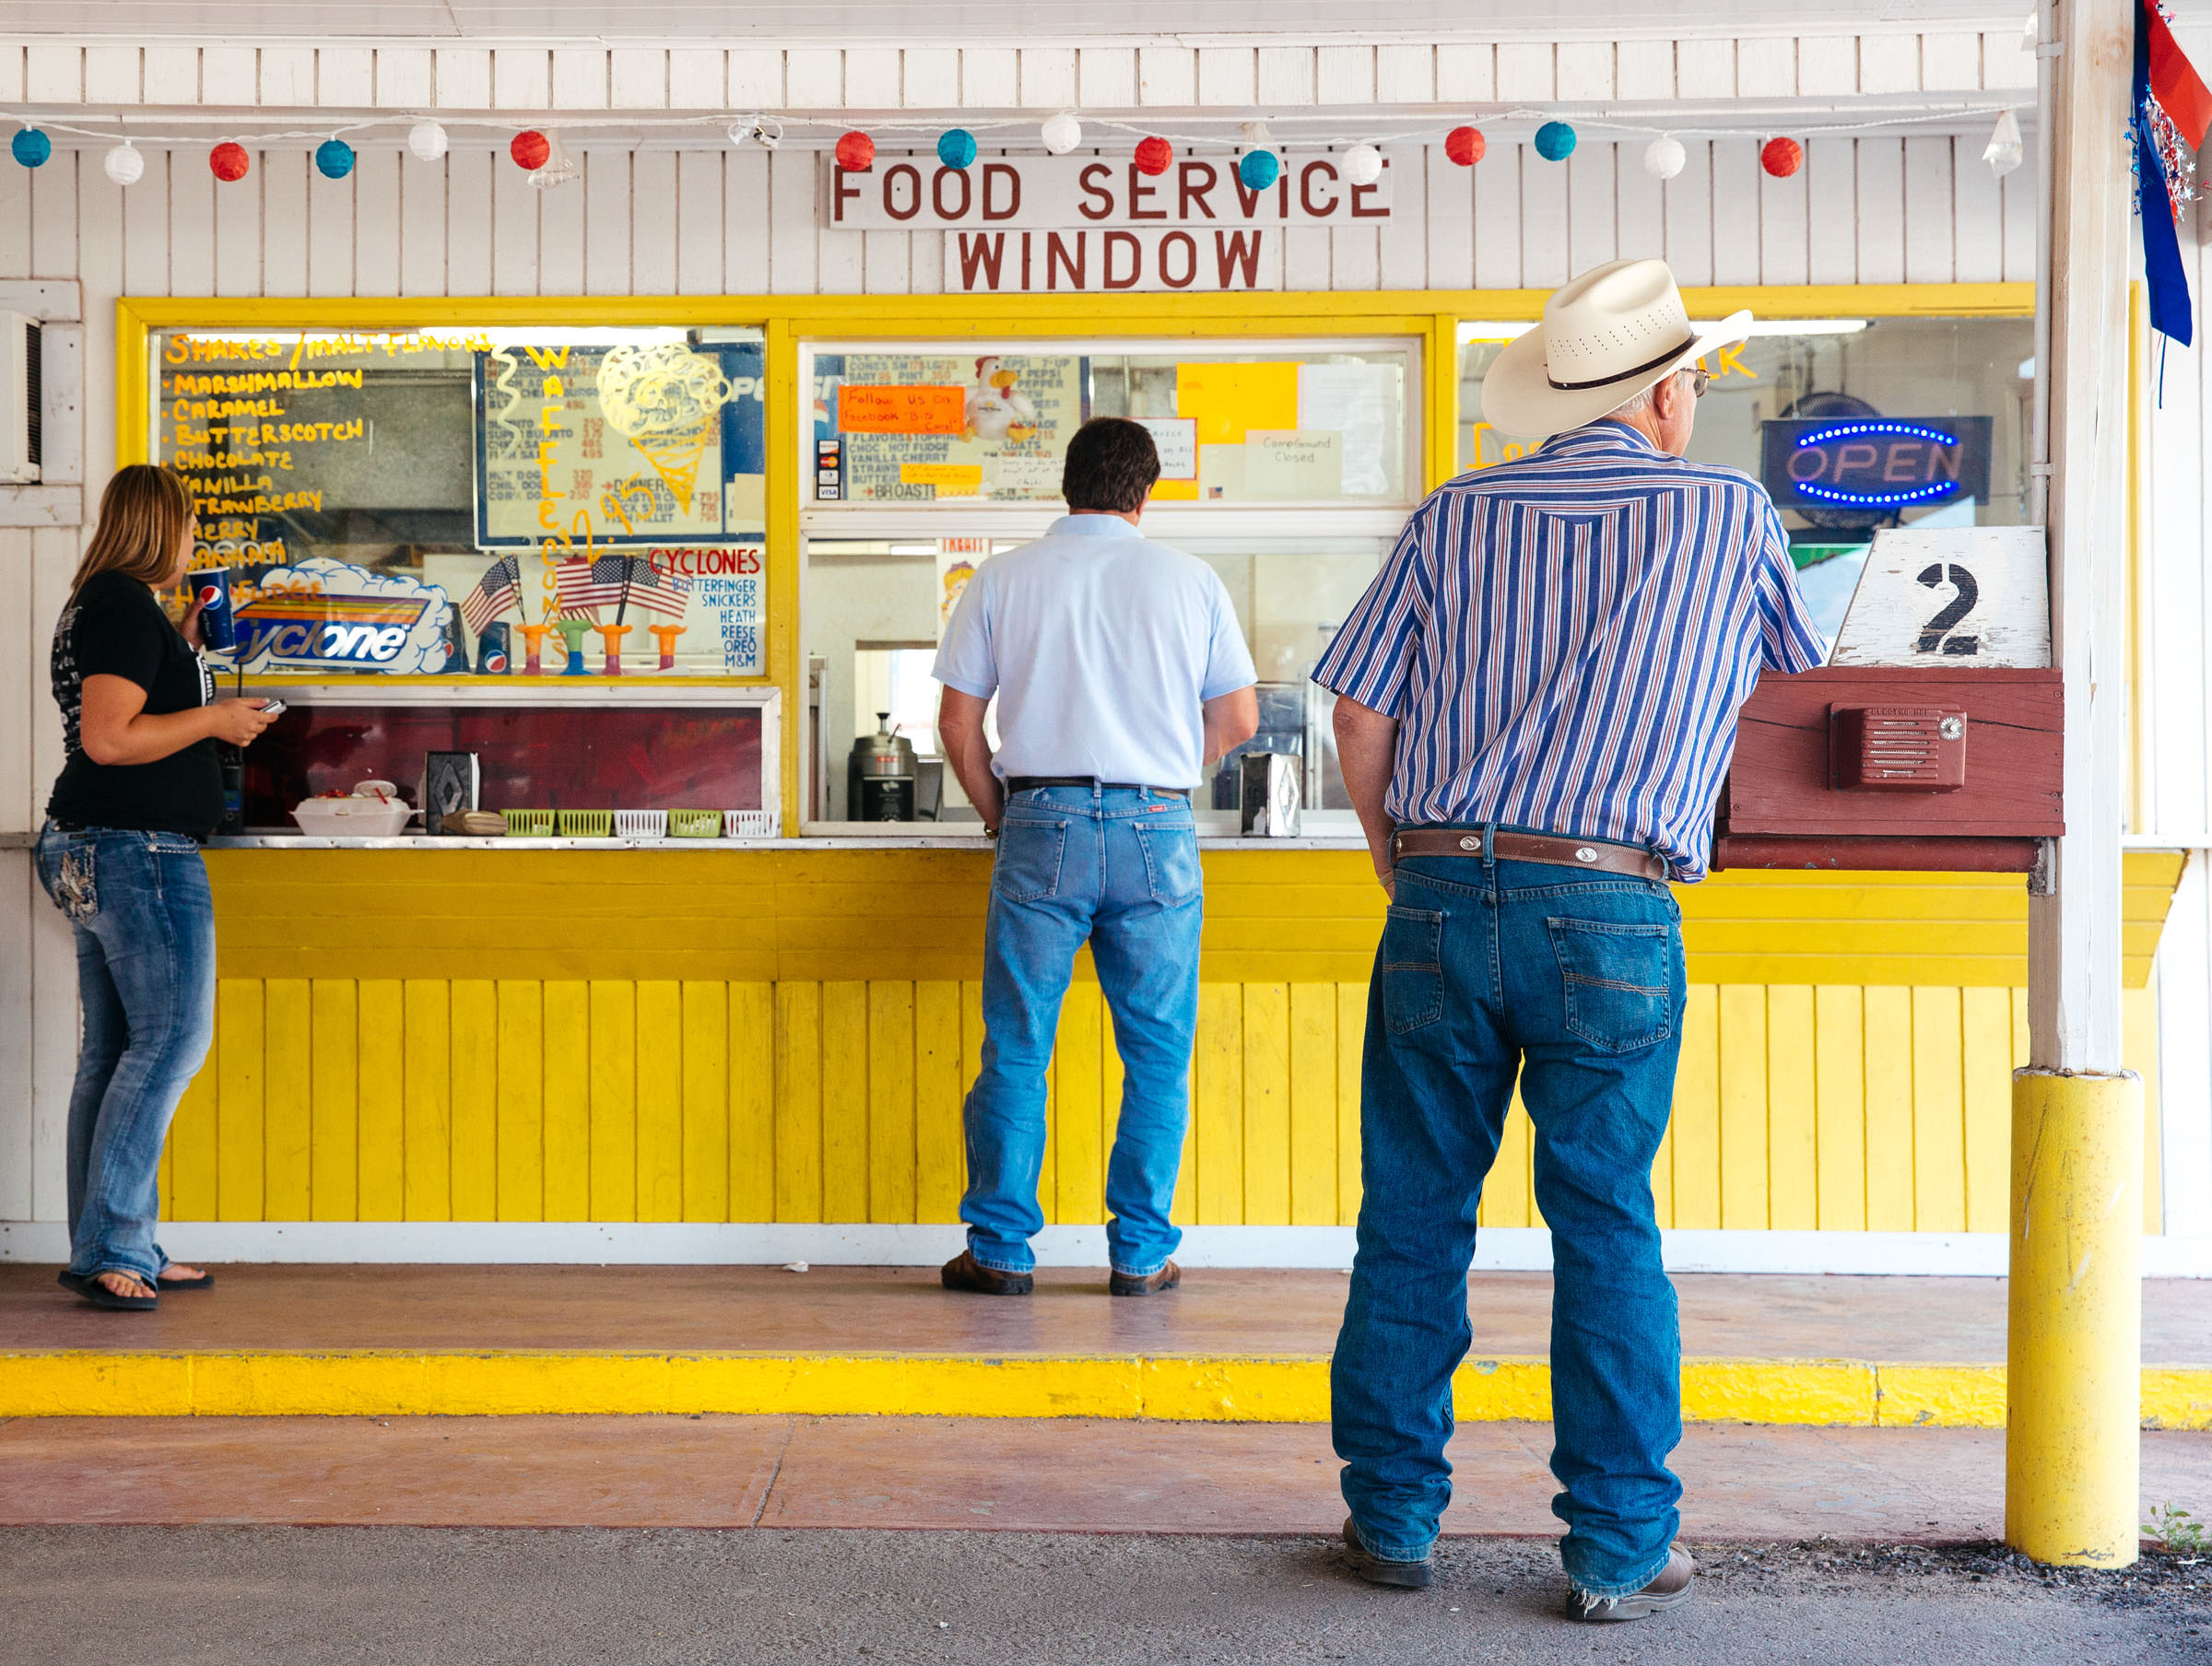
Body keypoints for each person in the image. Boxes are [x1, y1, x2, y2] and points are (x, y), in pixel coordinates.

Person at [1312, 260, 1826, 1621]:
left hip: (1434, 893)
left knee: (1414, 1211)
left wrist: (1395, 857)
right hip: (1609, 903)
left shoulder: (1457, 509)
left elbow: (1359, 717)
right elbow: (1792, 708)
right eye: (1696, 386)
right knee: (1603, 1220)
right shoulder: (1728, 511)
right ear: (1667, 393)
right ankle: (1612, 1544)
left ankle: (1391, 1519)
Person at [933, 416, 1259, 1297]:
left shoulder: (1002, 578)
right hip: (1158, 832)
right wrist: (1157, 775)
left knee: (1018, 1047)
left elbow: (959, 724)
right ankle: (1141, 1255)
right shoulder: (1191, 581)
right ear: (1145, 494)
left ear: (1064, 484)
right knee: (1156, 1054)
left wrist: (1007, 817)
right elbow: (1238, 720)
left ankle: (1000, 1251)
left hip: (1042, 821)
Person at [36, 464, 279, 1310]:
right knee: (170, 1044)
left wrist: (182, 643)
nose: (191, 545)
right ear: (158, 528)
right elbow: (109, 738)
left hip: (97, 846)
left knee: (113, 1055)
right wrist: (217, 718)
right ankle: (112, 1246)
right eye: (185, 528)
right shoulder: (116, 605)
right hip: (135, 850)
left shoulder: (108, 609)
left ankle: (116, 1241)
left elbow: (125, 713)